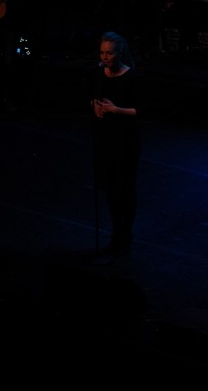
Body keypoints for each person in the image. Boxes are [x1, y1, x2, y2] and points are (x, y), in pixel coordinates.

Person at [92, 31, 142, 259]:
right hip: (106, 139)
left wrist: (116, 110)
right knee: (110, 188)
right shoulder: (99, 74)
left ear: (119, 53)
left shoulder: (131, 77)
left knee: (125, 189)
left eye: (109, 53)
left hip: (126, 141)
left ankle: (125, 233)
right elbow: (95, 97)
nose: (105, 57)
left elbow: (140, 111)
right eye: (102, 53)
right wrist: (96, 106)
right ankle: (116, 233)